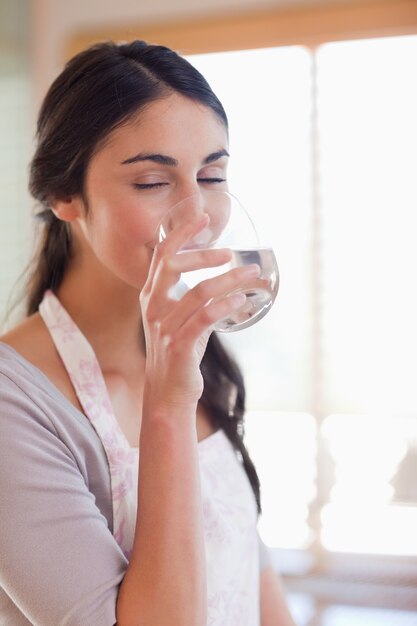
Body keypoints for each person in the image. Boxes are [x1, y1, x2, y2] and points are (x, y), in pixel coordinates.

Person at [0, 40, 296, 626]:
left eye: (212, 174)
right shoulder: (15, 404)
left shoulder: (198, 355)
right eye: (152, 183)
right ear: (65, 195)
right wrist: (168, 404)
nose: (200, 216)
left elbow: (248, 576)